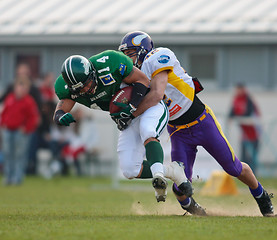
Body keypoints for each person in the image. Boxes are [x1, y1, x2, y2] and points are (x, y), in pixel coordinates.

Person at [119, 31, 274, 216]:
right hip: (178, 131)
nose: (128, 59)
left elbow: (158, 93)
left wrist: (131, 112)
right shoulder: (133, 75)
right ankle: (198, 213)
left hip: (201, 122)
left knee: (234, 168)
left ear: (144, 50)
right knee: (180, 186)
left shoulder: (158, 56)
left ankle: (261, 196)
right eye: (126, 55)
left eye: (131, 54)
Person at [53, 50, 192, 202]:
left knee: (148, 130)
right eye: (80, 88)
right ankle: (173, 171)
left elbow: (143, 80)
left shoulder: (109, 62)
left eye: (87, 83)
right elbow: (60, 109)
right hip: (127, 118)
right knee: (129, 169)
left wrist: (132, 105)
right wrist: (60, 116)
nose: (86, 90)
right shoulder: (65, 87)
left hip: (147, 106)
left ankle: (158, 179)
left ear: (92, 73)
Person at [0, 76, 40, 185]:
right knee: (8, 154)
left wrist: (26, 129)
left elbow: (33, 118)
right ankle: (8, 177)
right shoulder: (10, 98)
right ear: (15, 87)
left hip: (20, 132)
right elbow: (4, 113)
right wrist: (2, 125)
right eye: (20, 86)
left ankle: (17, 178)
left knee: (19, 155)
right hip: (8, 130)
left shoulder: (29, 101)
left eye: (24, 87)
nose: (22, 89)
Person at [228, 83, 261, 175]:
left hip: (253, 133)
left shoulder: (248, 99)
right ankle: (243, 174)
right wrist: (231, 118)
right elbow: (232, 111)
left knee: (253, 156)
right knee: (243, 156)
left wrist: (237, 117)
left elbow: (249, 113)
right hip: (244, 133)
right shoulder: (236, 99)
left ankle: (254, 174)